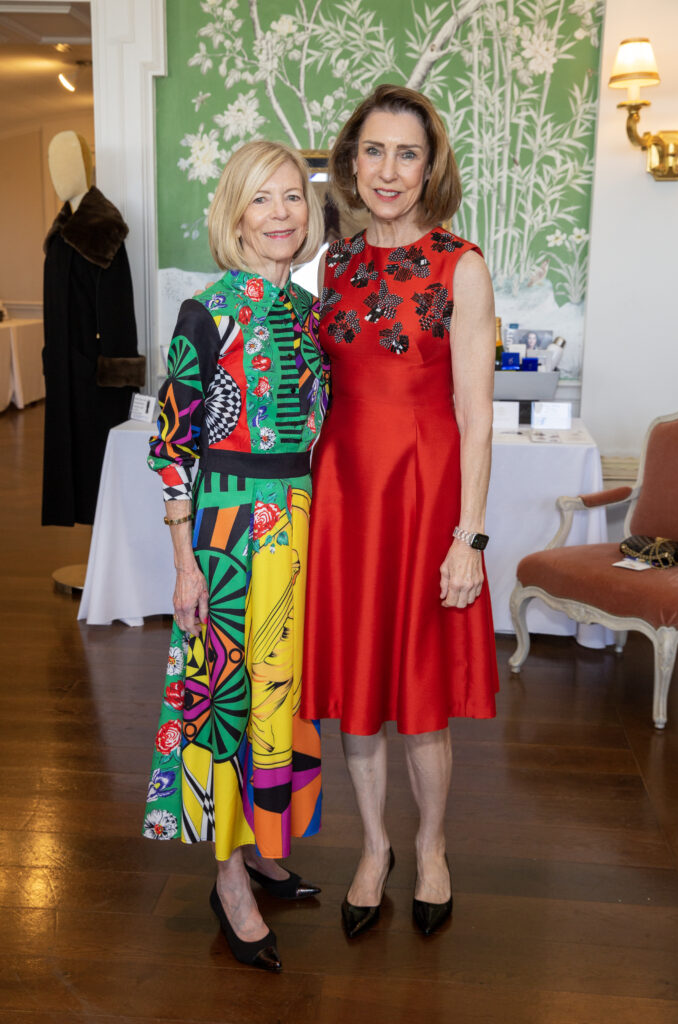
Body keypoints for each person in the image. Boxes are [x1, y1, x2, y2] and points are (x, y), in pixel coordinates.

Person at [302, 84, 499, 938]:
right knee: (358, 690)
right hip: (342, 501)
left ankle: (430, 847)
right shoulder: (334, 261)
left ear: (430, 166)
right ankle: (374, 846)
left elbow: (475, 416)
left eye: (407, 153)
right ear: (350, 161)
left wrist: (469, 538)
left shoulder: (462, 264)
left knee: (418, 694)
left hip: (424, 504)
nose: (388, 170)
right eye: (373, 151)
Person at [142, 141, 329, 972]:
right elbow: (173, 445)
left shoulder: (309, 313)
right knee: (225, 695)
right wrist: (185, 563)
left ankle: (262, 844)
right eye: (262, 200)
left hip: (298, 519)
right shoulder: (206, 310)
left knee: (281, 691)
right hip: (223, 528)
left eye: (292, 197)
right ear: (235, 214)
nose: (281, 213)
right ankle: (226, 879)